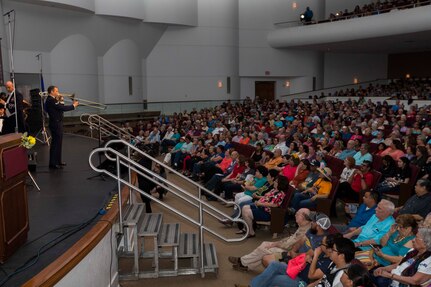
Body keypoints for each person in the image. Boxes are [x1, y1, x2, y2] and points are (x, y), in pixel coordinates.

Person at [227, 208, 312, 272]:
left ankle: (242, 262)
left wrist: (276, 244)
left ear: (304, 217)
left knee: (264, 248)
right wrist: (276, 242)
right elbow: (291, 239)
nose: (295, 215)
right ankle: (246, 265)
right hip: (289, 248)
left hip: (291, 253)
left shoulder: (305, 231)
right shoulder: (304, 225)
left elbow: (289, 245)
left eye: (297, 214)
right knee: (265, 246)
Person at [45, 85, 79, 169]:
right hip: (55, 124)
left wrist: (61, 100)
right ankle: (53, 163)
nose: (58, 92)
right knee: (55, 144)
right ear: (52, 92)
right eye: (56, 91)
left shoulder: (53, 100)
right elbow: (61, 108)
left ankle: (58, 161)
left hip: (58, 123)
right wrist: (73, 106)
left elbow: (59, 109)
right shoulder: (50, 100)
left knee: (59, 143)